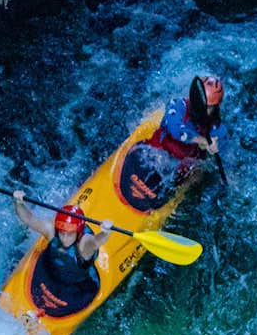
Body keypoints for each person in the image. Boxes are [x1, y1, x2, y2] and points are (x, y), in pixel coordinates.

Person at [118, 73, 228, 212]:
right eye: (198, 103)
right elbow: (175, 129)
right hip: (154, 154)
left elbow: (223, 161)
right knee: (157, 158)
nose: (200, 109)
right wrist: (201, 140)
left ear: (215, 107)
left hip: (178, 171)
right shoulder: (178, 105)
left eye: (206, 107)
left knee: (197, 174)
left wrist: (216, 151)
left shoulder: (217, 130)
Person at [13, 191, 113, 317]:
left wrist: (105, 232)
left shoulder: (83, 244)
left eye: (70, 234)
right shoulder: (52, 231)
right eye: (62, 233)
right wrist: (18, 203)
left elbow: (96, 241)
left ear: (78, 232)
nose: (65, 238)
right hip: (50, 273)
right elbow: (29, 219)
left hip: (77, 288)